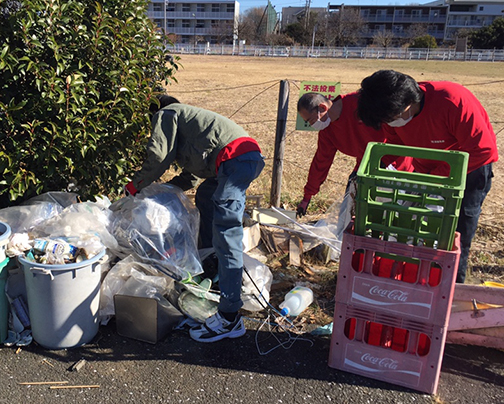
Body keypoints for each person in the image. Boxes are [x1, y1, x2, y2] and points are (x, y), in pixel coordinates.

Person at [125, 95, 265, 342]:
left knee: (226, 232)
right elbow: (191, 177)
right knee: (206, 195)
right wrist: (161, 191)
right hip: (242, 159)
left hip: (236, 159)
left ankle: (229, 315)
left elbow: (158, 158)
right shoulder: (189, 125)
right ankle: (211, 265)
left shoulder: (166, 114)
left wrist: (134, 186)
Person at [356, 70, 498, 283]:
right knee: (416, 228)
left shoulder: (452, 101)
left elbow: (483, 151)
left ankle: (451, 288)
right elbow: (397, 145)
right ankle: (415, 280)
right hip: (427, 173)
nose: (389, 123)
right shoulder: (393, 113)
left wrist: (439, 178)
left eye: (391, 119)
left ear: (408, 105)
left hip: (470, 171)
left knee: (456, 234)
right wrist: (377, 166)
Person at [296, 92, 389, 234]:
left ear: (322, 107)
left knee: (386, 219)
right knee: (348, 216)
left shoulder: (360, 103)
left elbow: (395, 130)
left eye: (311, 120)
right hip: (363, 168)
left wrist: (387, 161)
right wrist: (308, 196)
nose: (311, 125)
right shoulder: (327, 130)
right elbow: (321, 161)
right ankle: (349, 250)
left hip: (393, 165)